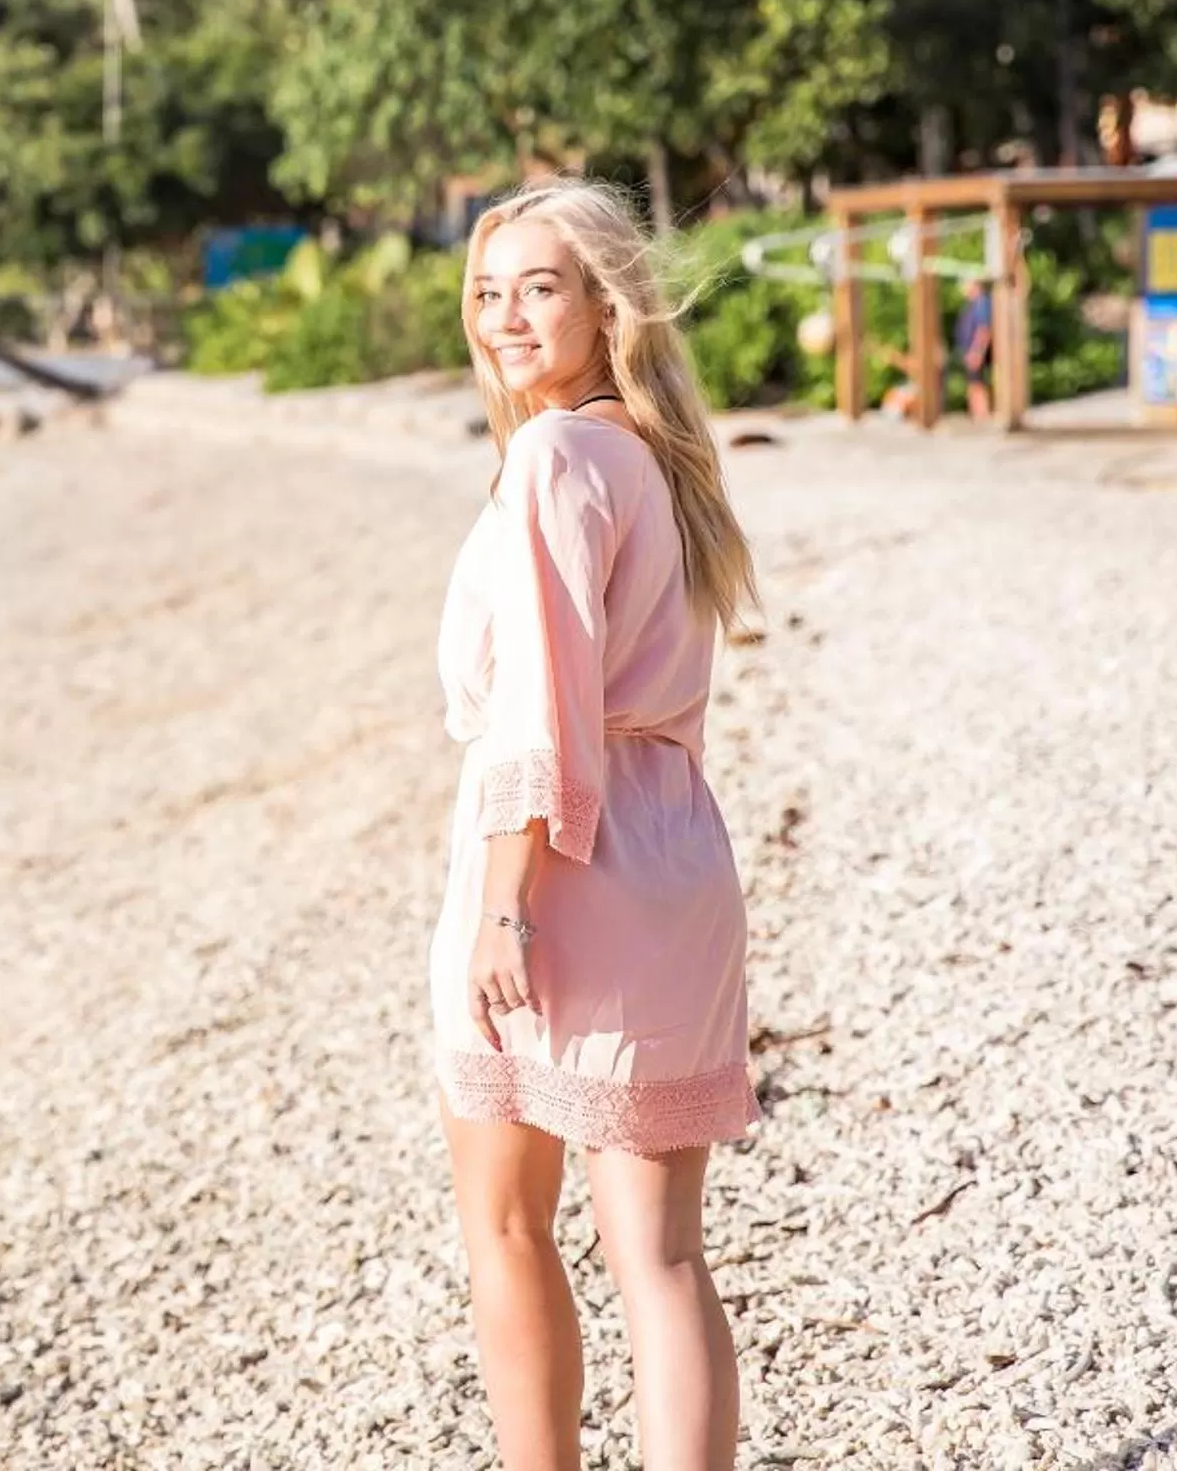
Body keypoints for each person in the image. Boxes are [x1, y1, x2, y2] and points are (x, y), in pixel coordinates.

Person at [432, 176, 762, 1471]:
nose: (508, 315)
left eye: (540, 286)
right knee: (664, 1257)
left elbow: (544, 705)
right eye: (488, 291)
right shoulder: (656, 455)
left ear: (602, 300)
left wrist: (506, 901)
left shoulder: (554, 455)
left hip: (559, 867)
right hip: (671, 851)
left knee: (509, 1228)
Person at [955, 274, 995, 422]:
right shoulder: (975, 304)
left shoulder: (982, 303)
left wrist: (977, 352)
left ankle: (982, 417)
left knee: (977, 384)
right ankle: (978, 416)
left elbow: (984, 329)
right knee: (974, 384)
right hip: (971, 352)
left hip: (977, 353)